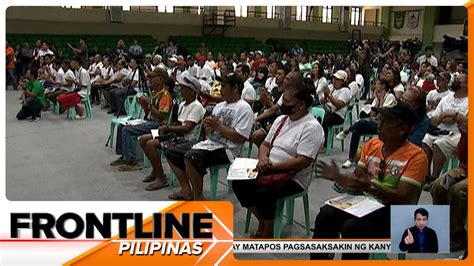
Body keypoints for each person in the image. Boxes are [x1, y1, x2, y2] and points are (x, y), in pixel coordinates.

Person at [311, 101, 428, 260]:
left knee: (353, 228)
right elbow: (358, 178)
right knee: (326, 214)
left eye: (386, 122)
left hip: (395, 212)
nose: (379, 125)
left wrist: (370, 187)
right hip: (367, 203)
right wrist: (341, 178)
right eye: (380, 119)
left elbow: (402, 196)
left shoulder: (416, 156)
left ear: (402, 129)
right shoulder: (373, 144)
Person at [233, 80, 324, 238]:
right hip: (267, 167)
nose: (283, 104)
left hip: (293, 177)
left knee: (264, 193)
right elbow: (265, 144)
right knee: (238, 182)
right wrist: (262, 159)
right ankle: (262, 220)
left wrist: (270, 167)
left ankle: (269, 230)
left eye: (287, 101)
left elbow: (302, 162)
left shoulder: (311, 127)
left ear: (301, 105)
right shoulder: (281, 120)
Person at [164, 73, 254, 201]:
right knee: (171, 151)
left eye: (224, 86)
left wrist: (218, 127)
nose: (221, 90)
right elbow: (209, 133)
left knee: (192, 156)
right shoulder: (219, 106)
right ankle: (186, 189)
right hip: (210, 143)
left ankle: (198, 196)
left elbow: (240, 138)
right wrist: (209, 128)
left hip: (228, 149)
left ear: (235, 88)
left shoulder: (244, 108)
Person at [139, 74, 205, 191]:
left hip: (185, 138)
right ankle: (156, 170)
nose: (180, 90)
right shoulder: (182, 105)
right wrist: (168, 126)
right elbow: (178, 123)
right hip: (174, 134)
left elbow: (187, 128)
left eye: (183, 88)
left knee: (150, 144)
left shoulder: (197, 107)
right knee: (143, 139)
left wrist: (168, 128)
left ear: (191, 91)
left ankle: (161, 177)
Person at [110, 67, 173, 171]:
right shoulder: (154, 93)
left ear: (160, 80)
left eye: (153, 77)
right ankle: (124, 156)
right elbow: (149, 113)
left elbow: (162, 116)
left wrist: (149, 106)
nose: (150, 79)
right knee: (122, 126)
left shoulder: (165, 95)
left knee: (127, 130)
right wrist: (144, 105)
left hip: (159, 128)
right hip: (150, 122)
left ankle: (132, 161)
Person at [421, 73, 468, 190]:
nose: (455, 81)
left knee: (439, 144)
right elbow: (433, 121)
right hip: (440, 130)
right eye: (455, 79)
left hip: (458, 134)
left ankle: (434, 177)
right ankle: (426, 177)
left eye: (459, 80)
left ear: (467, 85)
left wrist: (454, 115)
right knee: (426, 140)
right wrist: (444, 116)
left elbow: (463, 122)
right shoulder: (446, 99)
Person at [336, 79, 396, 168]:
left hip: (385, 126)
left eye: (377, 84)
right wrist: (378, 100)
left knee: (362, 122)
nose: (375, 86)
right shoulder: (377, 96)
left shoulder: (390, 96)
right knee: (357, 130)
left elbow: (382, 115)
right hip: (375, 122)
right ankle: (350, 159)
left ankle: (347, 131)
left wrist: (381, 99)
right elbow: (372, 114)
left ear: (383, 86)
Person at [431, 114, 467, 252]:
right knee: (439, 185)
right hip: (464, 168)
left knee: (458, 190)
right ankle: (441, 229)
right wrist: (465, 133)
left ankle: (457, 235)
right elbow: (461, 155)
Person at [320, 70, 351, 150]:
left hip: (338, 116)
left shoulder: (346, 91)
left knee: (325, 120)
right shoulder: (331, 87)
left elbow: (339, 104)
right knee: (317, 117)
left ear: (342, 81)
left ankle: (325, 145)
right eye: (334, 78)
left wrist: (329, 95)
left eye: (337, 79)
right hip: (327, 111)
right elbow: (322, 100)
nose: (335, 81)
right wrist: (325, 97)